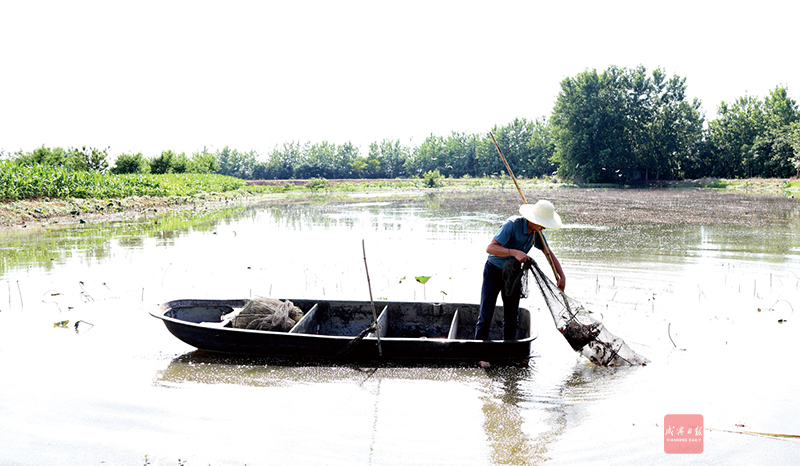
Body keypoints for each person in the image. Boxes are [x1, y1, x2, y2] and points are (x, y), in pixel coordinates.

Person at [475, 199, 566, 341]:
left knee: (512, 316)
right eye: (542, 223)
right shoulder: (512, 225)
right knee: (486, 313)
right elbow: (490, 248)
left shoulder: (537, 233)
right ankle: (480, 355)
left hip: (513, 275)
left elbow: (549, 253)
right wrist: (514, 252)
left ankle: (509, 352)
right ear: (533, 219)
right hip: (494, 271)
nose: (544, 227)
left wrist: (561, 276)